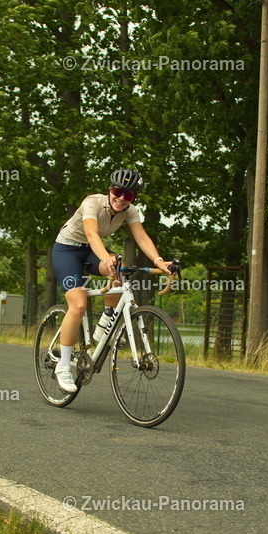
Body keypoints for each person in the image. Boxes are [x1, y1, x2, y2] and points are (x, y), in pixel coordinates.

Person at [50, 168, 175, 392]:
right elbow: (91, 234)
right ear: (110, 190)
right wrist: (105, 257)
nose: (121, 198)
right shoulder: (92, 203)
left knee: (122, 270)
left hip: (90, 251)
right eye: (118, 191)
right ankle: (63, 366)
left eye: (128, 195)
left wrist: (158, 261)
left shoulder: (130, 211)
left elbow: (141, 236)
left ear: (134, 198)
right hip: (67, 250)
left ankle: (105, 320)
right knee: (78, 305)